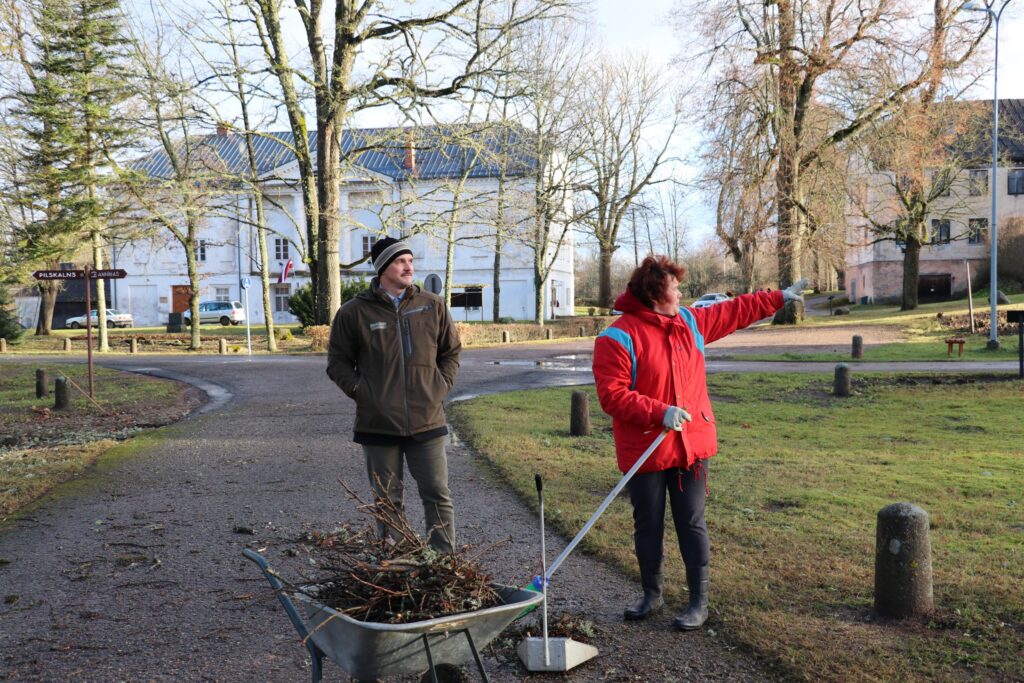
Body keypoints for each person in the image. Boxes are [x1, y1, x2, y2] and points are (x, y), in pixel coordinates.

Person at [592, 255, 806, 630]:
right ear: (656, 294)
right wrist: (659, 412)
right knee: (648, 525)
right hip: (647, 447)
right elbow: (612, 395)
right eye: (674, 287)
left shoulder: (690, 321)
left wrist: (777, 298)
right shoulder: (617, 337)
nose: (680, 292)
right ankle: (651, 594)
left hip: (691, 445)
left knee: (691, 521)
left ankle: (698, 603)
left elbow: (734, 311)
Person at [327, 237, 462, 553]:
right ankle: (399, 566)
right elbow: (337, 363)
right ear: (382, 268)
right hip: (378, 424)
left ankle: (442, 564)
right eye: (401, 261)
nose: (409, 267)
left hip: (426, 419)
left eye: (411, 261)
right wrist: (364, 393)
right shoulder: (354, 313)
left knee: (437, 493)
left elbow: (451, 352)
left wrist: (438, 388)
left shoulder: (432, 306)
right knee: (387, 501)